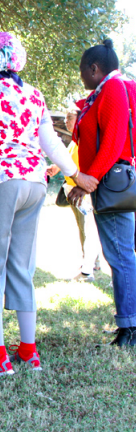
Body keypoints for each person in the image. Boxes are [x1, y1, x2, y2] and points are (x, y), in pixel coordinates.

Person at [0, 32, 97, 374]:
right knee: (22, 266)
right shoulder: (33, 94)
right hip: (35, 183)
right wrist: (75, 173)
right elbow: (49, 140)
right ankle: (29, 352)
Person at [68, 39, 136, 347]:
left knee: (120, 255)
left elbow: (113, 142)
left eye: (83, 71)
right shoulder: (114, 88)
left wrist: (88, 180)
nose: (81, 77)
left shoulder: (112, 88)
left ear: (94, 69)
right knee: (121, 253)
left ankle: (130, 327)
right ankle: (128, 319)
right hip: (111, 178)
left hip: (112, 180)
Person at [46, 109, 101, 281]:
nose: (67, 121)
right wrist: (56, 167)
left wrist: (83, 187)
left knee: (88, 228)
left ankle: (89, 267)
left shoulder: (86, 138)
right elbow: (70, 162)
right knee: (83, 228)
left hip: (83, 193)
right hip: (72, 192)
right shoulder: (73, 141)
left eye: (70, 118)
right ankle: (90, 262)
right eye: (66, 118)